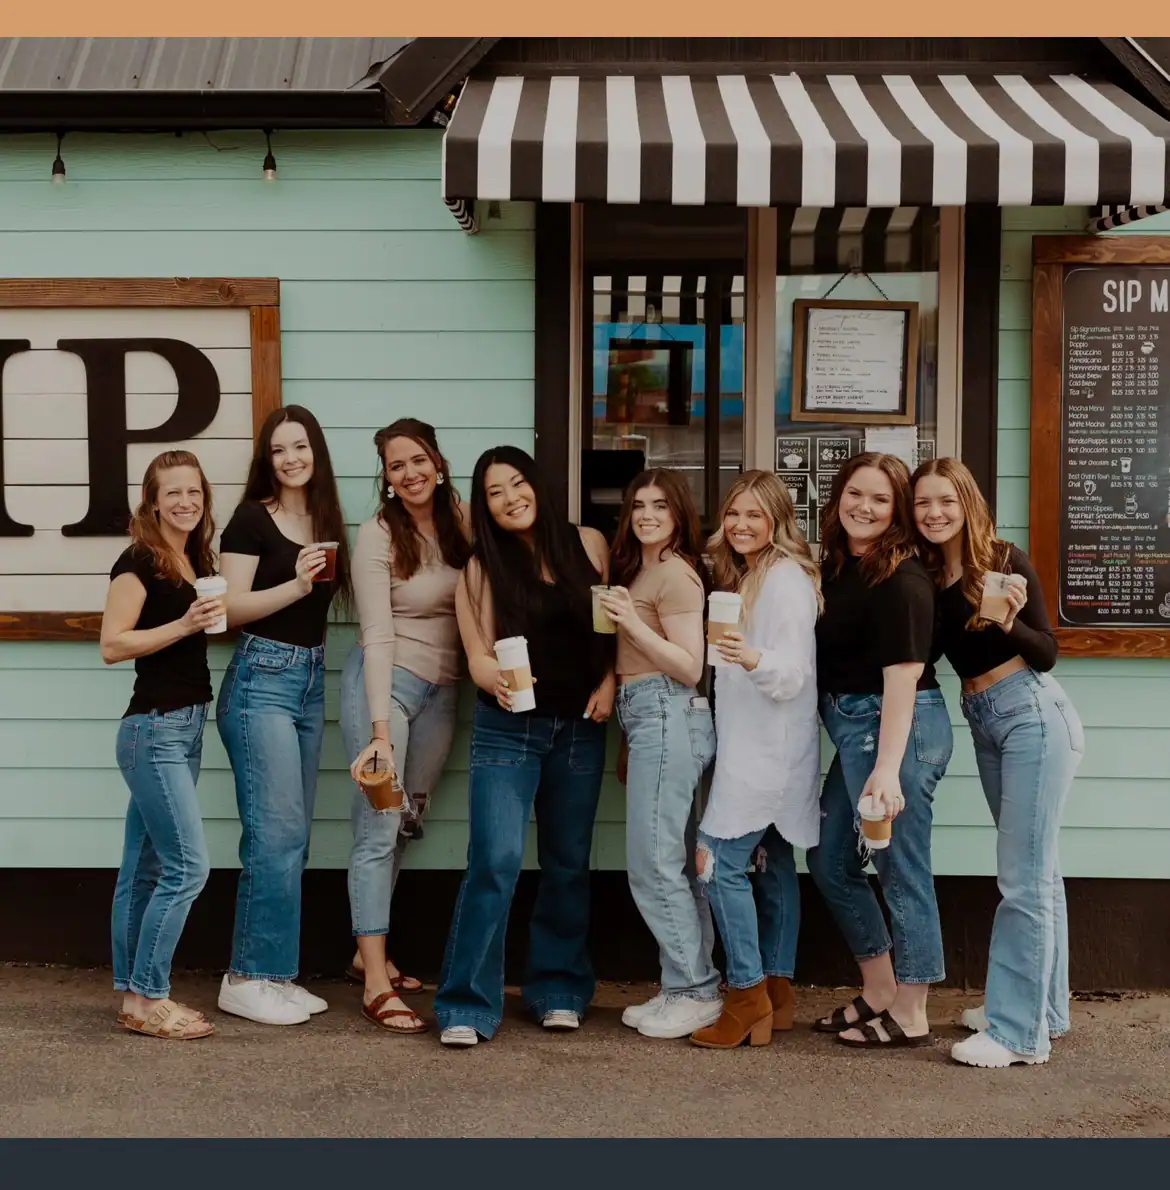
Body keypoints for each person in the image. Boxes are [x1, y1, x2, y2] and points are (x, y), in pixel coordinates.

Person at [433, 446, 615, 1046]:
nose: (511, 499)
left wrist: (610, 681)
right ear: (484, 506)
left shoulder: (588, 544)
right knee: (496, 860)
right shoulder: (481, 568)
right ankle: (466, 1004)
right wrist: (501, 683)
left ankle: (558, 990)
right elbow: (477, 655)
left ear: (536, 483)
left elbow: (608, 628)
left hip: (580, 727)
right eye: (495, 492)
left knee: (567, 862)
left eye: (517, 484)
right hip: (509, 730)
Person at [913, 457, 1084, 1068]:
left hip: (1031, 714)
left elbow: (1047, 652)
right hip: (984, 718)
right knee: (1039, 873)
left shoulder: (1004, 561)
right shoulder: (930, 577)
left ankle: (1016, 1034)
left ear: (968, 504)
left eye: (946, 500)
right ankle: (1044, 1011)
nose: (935, 512)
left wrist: (1008, 622)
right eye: (923, 502)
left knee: (1023, 879)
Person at [806, 452, 953, 1049]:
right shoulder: (840, 565)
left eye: (880, 499)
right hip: (857, 730)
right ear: (838, 496)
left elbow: (904, 676)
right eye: (855, 494)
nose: (863, 507)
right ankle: (880, 988)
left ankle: (913, 1010)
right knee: (830, 861)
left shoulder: (903, 578)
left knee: (900, 867)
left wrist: (887, 770)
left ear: (897, 512)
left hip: (898, 731)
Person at [215, 406, 352, 1027]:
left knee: (293, 837)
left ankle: (276, 974)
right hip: (260, 680)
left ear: (316, 452)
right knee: (273, 835)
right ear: (266, 460)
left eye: (300, 446)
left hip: (308, 682)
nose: (291, 458)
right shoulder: (251, 518)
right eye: (278, 449)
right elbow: (228, 610)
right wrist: (296, 585)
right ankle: (245, 977)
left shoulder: (325, 521)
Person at [339, 418, 471, 1034]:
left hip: (443, 694)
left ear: (437, 462)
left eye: (418, 460)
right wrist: (380, 733)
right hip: (385, 690)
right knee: (378, 825)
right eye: (397, 466)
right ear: (387, 478)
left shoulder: (464, 522)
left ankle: (366, 954)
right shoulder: (377, 535)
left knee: (406, 823)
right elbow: (376, 634)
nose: (410, 473)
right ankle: (374, 982)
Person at [688, 471, 822, 1049]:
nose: (740, 525)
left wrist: (748, 657)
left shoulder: (784, 580)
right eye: (733, 513)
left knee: (715, 863)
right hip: (763, 746)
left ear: (777, 522)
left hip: (767, 751)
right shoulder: (750, 574)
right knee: (773, 864)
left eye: (754, 515)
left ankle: (746, 996)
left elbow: (791, 675)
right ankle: (778, 993)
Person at [100, 450, 224, 1040]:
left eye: (194, 492)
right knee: (187, 867)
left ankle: (133, 1000)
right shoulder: (138, 561)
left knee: (144, 867)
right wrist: (184, 624)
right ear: (152, 502)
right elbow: (112, 644)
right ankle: (152, 996)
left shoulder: (195, 557)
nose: (185, 502)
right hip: (154, 730)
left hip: (182, 725)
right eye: (173, 492)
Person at [594, 469, 720, 1040]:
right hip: (648, 716)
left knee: (654, 862)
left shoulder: (676, 574)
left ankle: (694, 990)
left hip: (668, 710)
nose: (647, 515)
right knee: (671, 861)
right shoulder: (641, 570)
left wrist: (631, 624)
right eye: (639, 505)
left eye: (660, 506)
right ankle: (684, 984)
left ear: (679, 514)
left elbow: (690, 667)